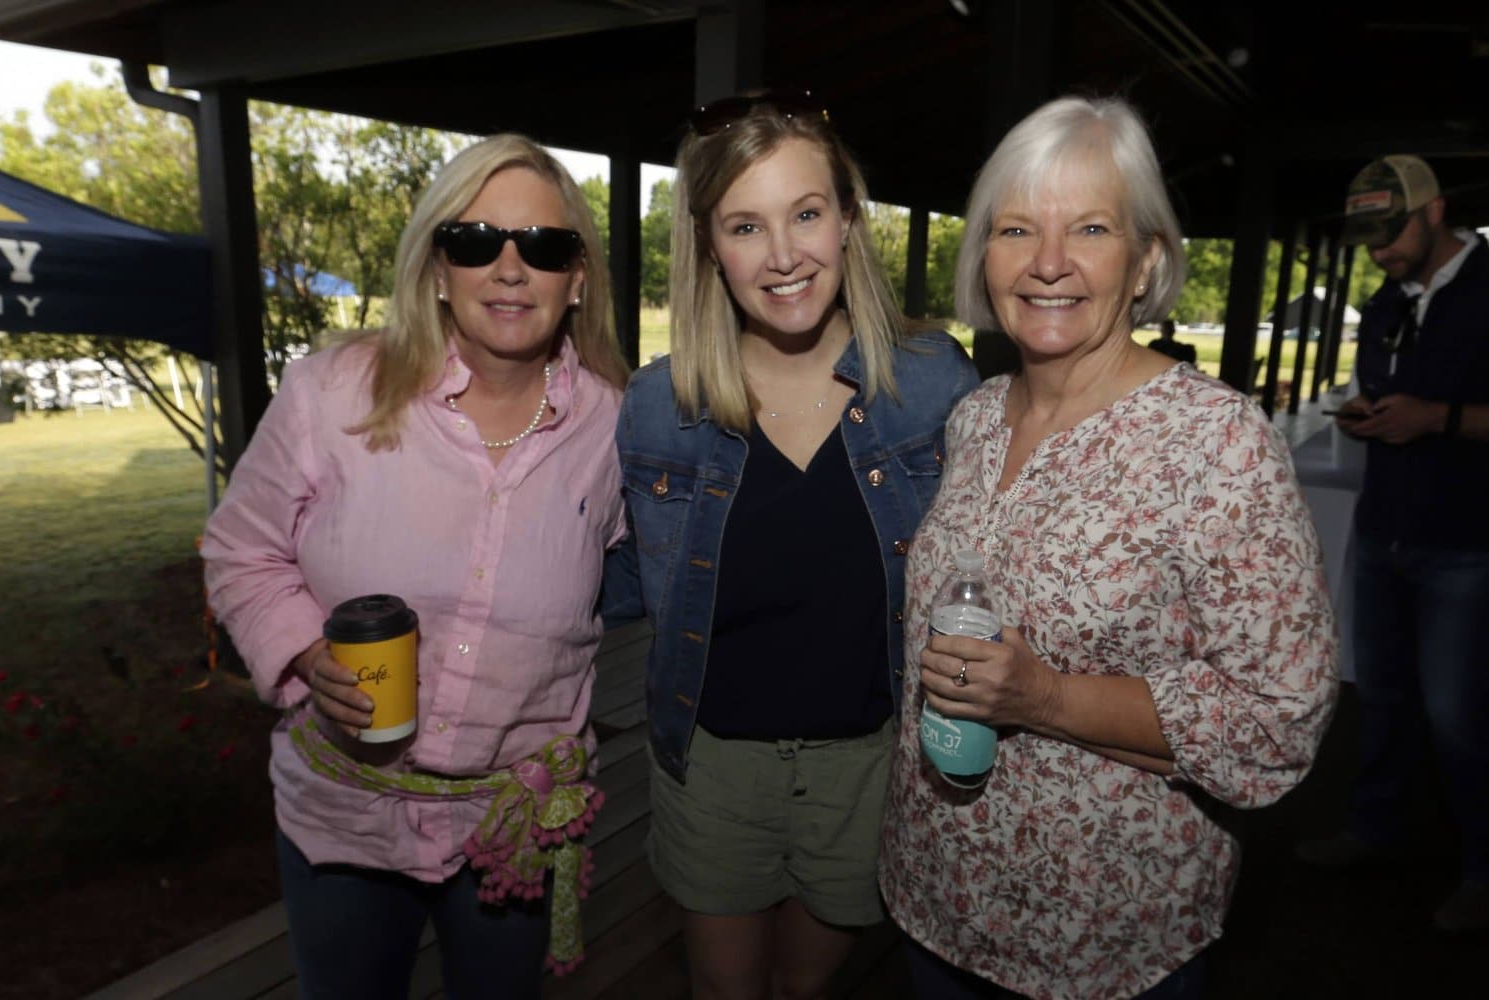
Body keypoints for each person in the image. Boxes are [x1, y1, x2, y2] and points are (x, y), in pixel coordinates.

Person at [877, 95, 1339, 1000]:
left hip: (1104, 943)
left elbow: (1277, 720)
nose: (1048, 262)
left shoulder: (1216, 441)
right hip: (934, 897)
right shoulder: (975, 417)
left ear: (1146, 261)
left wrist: (1045, 698)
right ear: (985, 256)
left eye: (1089, 228)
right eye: (1016, 229)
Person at [201, 134, 629, 997]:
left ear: (578, 279)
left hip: (510, 829)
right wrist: (305, 653)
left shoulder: (620, 430)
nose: (509, 269)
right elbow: (240, 549)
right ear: (437, 268)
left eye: (543, 247)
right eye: (476, 241)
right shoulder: (331, 393)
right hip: (343, 819)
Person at [601, 91, 978, 1000]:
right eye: (745, 226)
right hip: (714, 764)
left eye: (806, 214)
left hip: (873, 763)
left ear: (848, 220)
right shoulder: (659, 405)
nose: (782, 255)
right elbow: (604, 577)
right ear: (709, 246)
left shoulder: (934, 386)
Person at [1295, 155, 1489, 932]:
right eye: (1368, 237)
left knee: (1458, 715)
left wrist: (1436, 419)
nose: (1379, 250)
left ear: (1435, 210)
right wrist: (1368, 414)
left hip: (1467, 540)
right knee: (1381, 697)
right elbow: (1382, 394)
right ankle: (1377, 829)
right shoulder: (1385, 301)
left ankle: (1480, 870)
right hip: (1385, 529)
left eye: (1391, 231)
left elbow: (1434, 411)